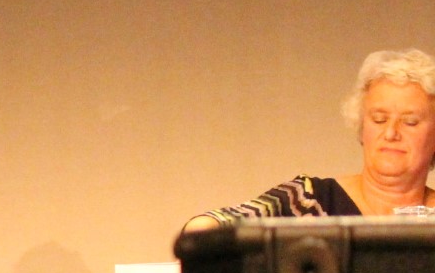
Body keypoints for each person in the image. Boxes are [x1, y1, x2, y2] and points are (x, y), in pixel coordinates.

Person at [185, 49, 435, 229]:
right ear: (361, 127)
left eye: (410, 122)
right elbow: (206, 228)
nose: (390, 133)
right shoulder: (307, 200)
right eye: (379, 120)